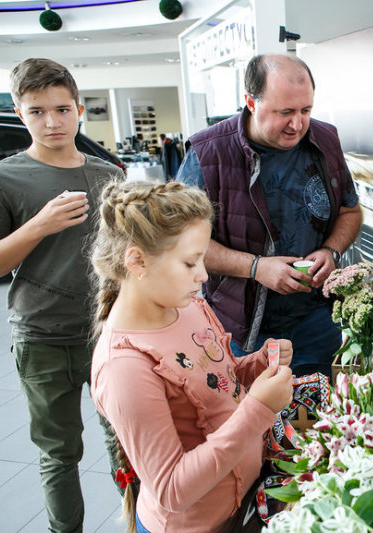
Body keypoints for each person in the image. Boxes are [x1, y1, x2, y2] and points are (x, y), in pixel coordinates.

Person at [90, 180, 294, 533]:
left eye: (202, 259)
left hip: (243, 503)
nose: (203, 274)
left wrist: (256, 364)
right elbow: (172, 489)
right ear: (137, 262)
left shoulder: (190, 306)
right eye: (189, 262)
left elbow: (218, 380)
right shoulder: (124, 368)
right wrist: (258, 409)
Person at [0, 58, 123, 533]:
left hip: (109, 334)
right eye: (37, 111)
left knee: (125, 444)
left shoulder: (108, 174)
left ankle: (139, 523)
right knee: (60, 454)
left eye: (62, 109)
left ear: (79, 110)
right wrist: (38, 226)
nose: (52, 122)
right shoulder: (2, 178)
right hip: (42, 337)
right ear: (20, 114)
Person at [177, 53, 361, 377]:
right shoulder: (207, 154)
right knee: (254, 407)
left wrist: (331, 251)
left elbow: (350, 210)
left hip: (318, 320)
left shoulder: (326, 139)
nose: (297, 124)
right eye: (285, 112)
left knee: (319, 405)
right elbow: (181, 244)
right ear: (251, 101)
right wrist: (256, 267)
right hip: (243, 328)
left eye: (306, 110)